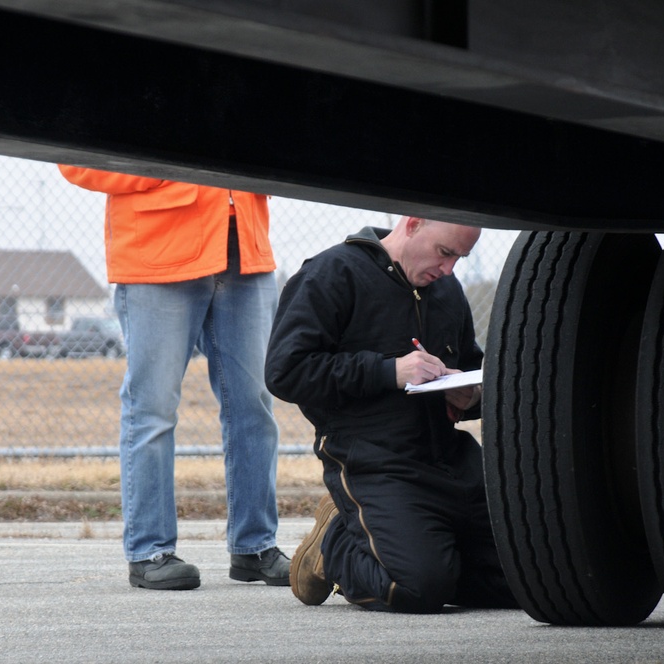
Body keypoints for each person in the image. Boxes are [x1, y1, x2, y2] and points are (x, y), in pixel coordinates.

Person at [265, 216, 518, 613]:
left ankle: (427, 556)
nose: (449, 269)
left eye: (460, 258)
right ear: (413, 224)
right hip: (376, 463)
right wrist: (389, 371)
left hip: (452, 462)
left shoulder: (447, 290)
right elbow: (286, 371)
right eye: (445, 252)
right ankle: (336, 542)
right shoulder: (333, 273)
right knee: (417, 589)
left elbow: (472, 366)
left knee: (533, 578)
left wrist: (470, 394)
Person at [58, 166, 289, 590]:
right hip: (159, 251)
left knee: (254, 406)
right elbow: (74, 159)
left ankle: (255, 546)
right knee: (153, 409)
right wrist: (167, 170)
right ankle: (150, 552)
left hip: (245, 246)